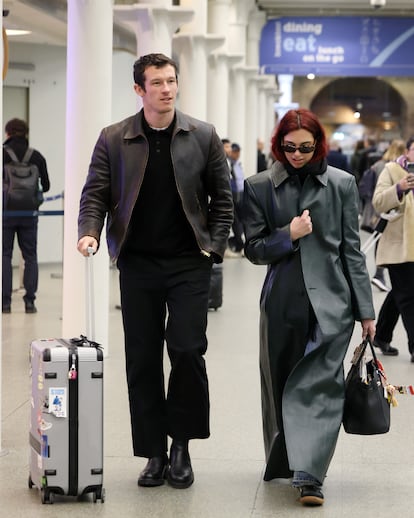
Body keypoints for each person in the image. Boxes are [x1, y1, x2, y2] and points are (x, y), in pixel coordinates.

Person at [77, 53, 233, 489]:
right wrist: (90, 231)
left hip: (188, 263)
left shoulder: (202, 135)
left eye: (171, 81)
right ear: (139, 90)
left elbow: (223, 200)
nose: (167, 89)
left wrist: (213, 250)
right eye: (157, 83)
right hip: (138, 264)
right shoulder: (114, 138)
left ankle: (180, 443)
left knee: (186, 351)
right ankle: (153, 452)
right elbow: (95, 193)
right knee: (141, 360)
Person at [242, 108, 375, 507]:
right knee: (281, 383)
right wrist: (289, 234)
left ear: (319, 145)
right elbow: (253, 248)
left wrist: (366, 311)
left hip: (332, 304)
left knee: (323, 389)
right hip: (282, 300)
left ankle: (311, 475)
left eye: (305, 147)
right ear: (277, 146)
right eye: (289, 148)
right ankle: (285, 459)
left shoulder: (342, 184)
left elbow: (352, 252)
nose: (297, 155)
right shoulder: (259, 186)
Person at [2, 118, 50, 314]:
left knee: (5, 255)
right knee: (30, 256)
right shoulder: (36, 156)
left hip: (6, 211)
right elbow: (46, 186)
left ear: (8, 133)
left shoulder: (2, 154)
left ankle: (5, 303)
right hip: (30, 214)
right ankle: (30, 302)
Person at [372, 137, 414, 362]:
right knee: (408, 295)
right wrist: (399, 188)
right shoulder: (391, 170)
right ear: (407, 152)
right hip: (398, 245)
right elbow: (378, 202)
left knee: (400, 291)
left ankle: (381, 335)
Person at [359, 139, 405, 294]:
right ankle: (379, 274)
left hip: (378, 210)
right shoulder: (396, 168)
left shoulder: (378, 165)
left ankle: (380, 275)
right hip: (389, 213)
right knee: (383, 241)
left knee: (380, 239)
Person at [227, 142, 245, 256]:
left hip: (241, 194)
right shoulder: (228, 164)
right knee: (235, 221)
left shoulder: (238, 164)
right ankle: (239, 243)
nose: (237, 154)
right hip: (231, 194)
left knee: (241, 220)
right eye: (235, 152)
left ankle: (239, 244)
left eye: (238, 152)